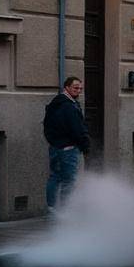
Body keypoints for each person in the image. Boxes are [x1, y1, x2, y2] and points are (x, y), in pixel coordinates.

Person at [43, 76, 91, 209]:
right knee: (68, 180)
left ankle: (52, 208)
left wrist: (53, 141)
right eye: (75, 88)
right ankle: (65, 209)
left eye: (80, 88)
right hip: (68, 148)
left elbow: (47, 125)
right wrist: (85, 145)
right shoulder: (68, 106)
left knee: (55, 177)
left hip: (56, 146)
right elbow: (76, 128)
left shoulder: (56, 103)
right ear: (67, 88)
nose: (78, 90)